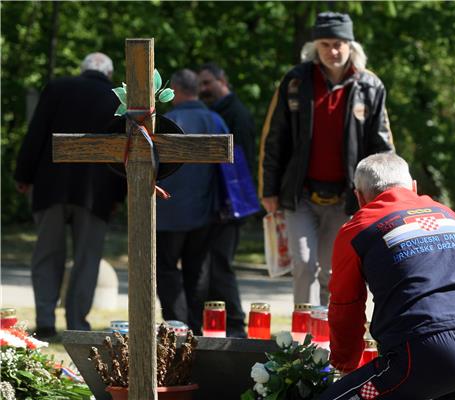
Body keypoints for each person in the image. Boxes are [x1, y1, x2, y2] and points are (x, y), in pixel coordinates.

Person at [321, 153, 455, 400]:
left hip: (427, 350)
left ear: (359, 196)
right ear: (413, 187)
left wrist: (345, 365)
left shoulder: (357, 229)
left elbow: (345, 306)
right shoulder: (447, 214)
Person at [259, 11, 394, 306]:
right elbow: (274, 138)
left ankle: (329, 342)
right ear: (315, 48)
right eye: (325, 44)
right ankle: (299, 343)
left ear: (351, 45)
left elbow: (382, 146)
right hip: (300, 193)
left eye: (339, 44)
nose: (333, 51)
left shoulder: (370, 86)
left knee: (333, 273)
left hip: (347, 196)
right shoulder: (295, 82)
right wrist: (268, 190)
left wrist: (387, 195)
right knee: (304, 265)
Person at [13, 52, 126, 337]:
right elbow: (124, 149)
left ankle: (46, 321)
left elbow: (36, 133)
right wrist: (119, 195)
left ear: (82, 69)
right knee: (87, 259)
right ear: (109, 73)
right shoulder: (117, 98)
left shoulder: (57, 87)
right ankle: (77, 324)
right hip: (96, 191)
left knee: (47, 255)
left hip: (52, 185)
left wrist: (23, 176)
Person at [155, 68, 246, 337]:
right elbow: (228, 168)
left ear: (174, 90)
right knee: (198, 271)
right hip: (203, 212)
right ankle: (194, 326)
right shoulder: (215, 120)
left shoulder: (166, 122)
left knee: (167, 270)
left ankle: (175, 325)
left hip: (167, 212)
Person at [198, 62, 257, 337]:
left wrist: (229, 204)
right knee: (211, 264)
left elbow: (239, 162)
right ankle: (217, 321)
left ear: (223, 79)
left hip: (230, 203)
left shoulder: (235, 113)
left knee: (220, 263)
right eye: (200, 84)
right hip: (217, 203)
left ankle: (234, 324)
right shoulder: (216, 111)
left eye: (207, 82)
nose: (203, 89)